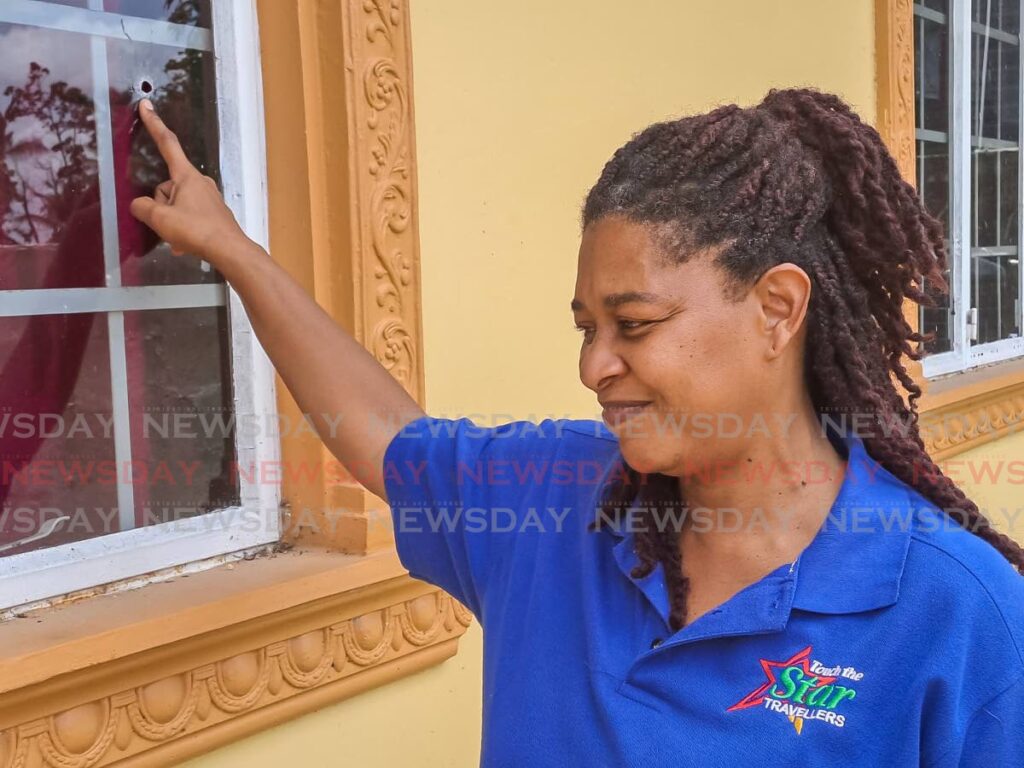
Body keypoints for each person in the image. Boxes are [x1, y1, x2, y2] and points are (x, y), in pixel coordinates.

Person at [130, 88, 1024, 767]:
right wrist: (234, 249)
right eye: (585, 329)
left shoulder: (955, 611)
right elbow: (383, 435)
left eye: (634, 325)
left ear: (778, 309)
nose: (594, 367)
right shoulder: (550, 501)